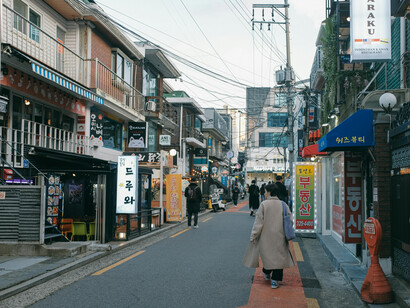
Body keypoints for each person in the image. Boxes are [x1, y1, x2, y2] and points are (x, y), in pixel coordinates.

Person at [243, 183, 295, 289]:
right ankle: (275, 281)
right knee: (279, 258)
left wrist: (253, 236)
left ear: (269, 192)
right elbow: (290, 220)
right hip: (280, 236)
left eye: (266, 191)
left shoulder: (264, 205)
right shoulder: (283, 204)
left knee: (268, 257)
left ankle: (266, 272)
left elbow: (258, 223)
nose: (265, 193)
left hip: (266, 237)